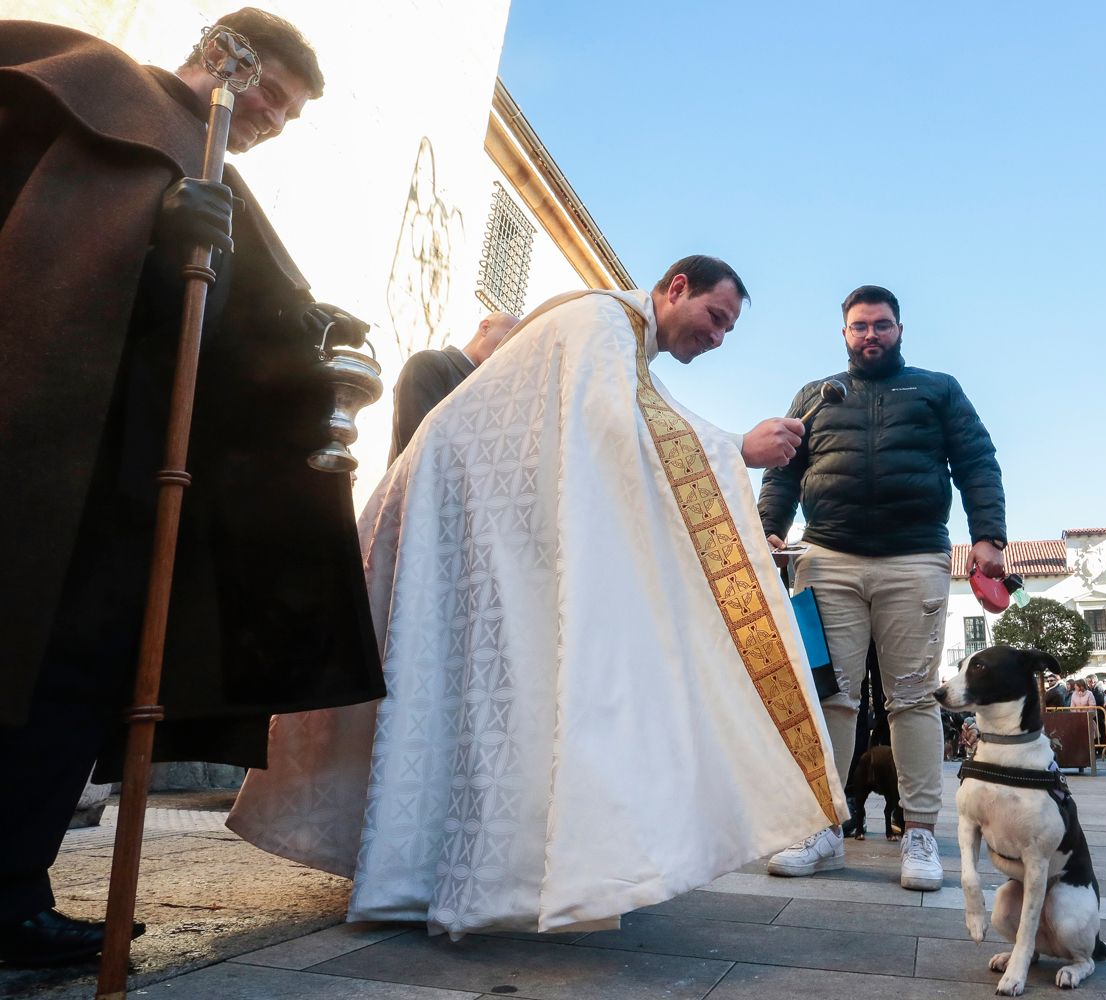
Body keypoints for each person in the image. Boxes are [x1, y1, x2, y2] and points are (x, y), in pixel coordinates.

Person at [229, 256, 846, 935]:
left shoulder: (615, 338)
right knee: (484, 690)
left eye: (729, 328)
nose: (718, 336)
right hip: (462, 513)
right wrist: (736, 450)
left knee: (450, 690)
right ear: (676, 288)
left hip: (470, 515)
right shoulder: (603, 322)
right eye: (715, 317)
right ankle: (453, 874)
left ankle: (419, 866)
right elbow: (617, 431)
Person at [0, 11, 384, 966]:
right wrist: (149, 232)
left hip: (134, 482)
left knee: (77, 686)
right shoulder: (97, 86)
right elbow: (45, 243)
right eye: (269, 96)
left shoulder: (225, 176)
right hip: (42, 447)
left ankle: (10, 884)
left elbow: (223, 331)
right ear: (221, 57)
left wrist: (302, 330)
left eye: (292, 115)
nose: (273, 119)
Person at [757, 284, 1006, 891]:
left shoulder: (938, 389)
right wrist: (767, 529)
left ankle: (919, 833)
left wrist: (989, 536)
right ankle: (823, 827)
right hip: (827, 557)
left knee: (914, 697)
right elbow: (782, 470)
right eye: (860, 326)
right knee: (832, 697)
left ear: (900, 330)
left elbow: (977, 461)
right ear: (844, 333)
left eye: (882, 325)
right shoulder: (814, 396)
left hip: (914, 555)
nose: (871, 334)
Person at [388, 310, 521, 461]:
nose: (510, 349)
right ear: (485, 328)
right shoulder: (427, 364)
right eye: (508, 338)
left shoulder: (495, 397)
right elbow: (417, 447)